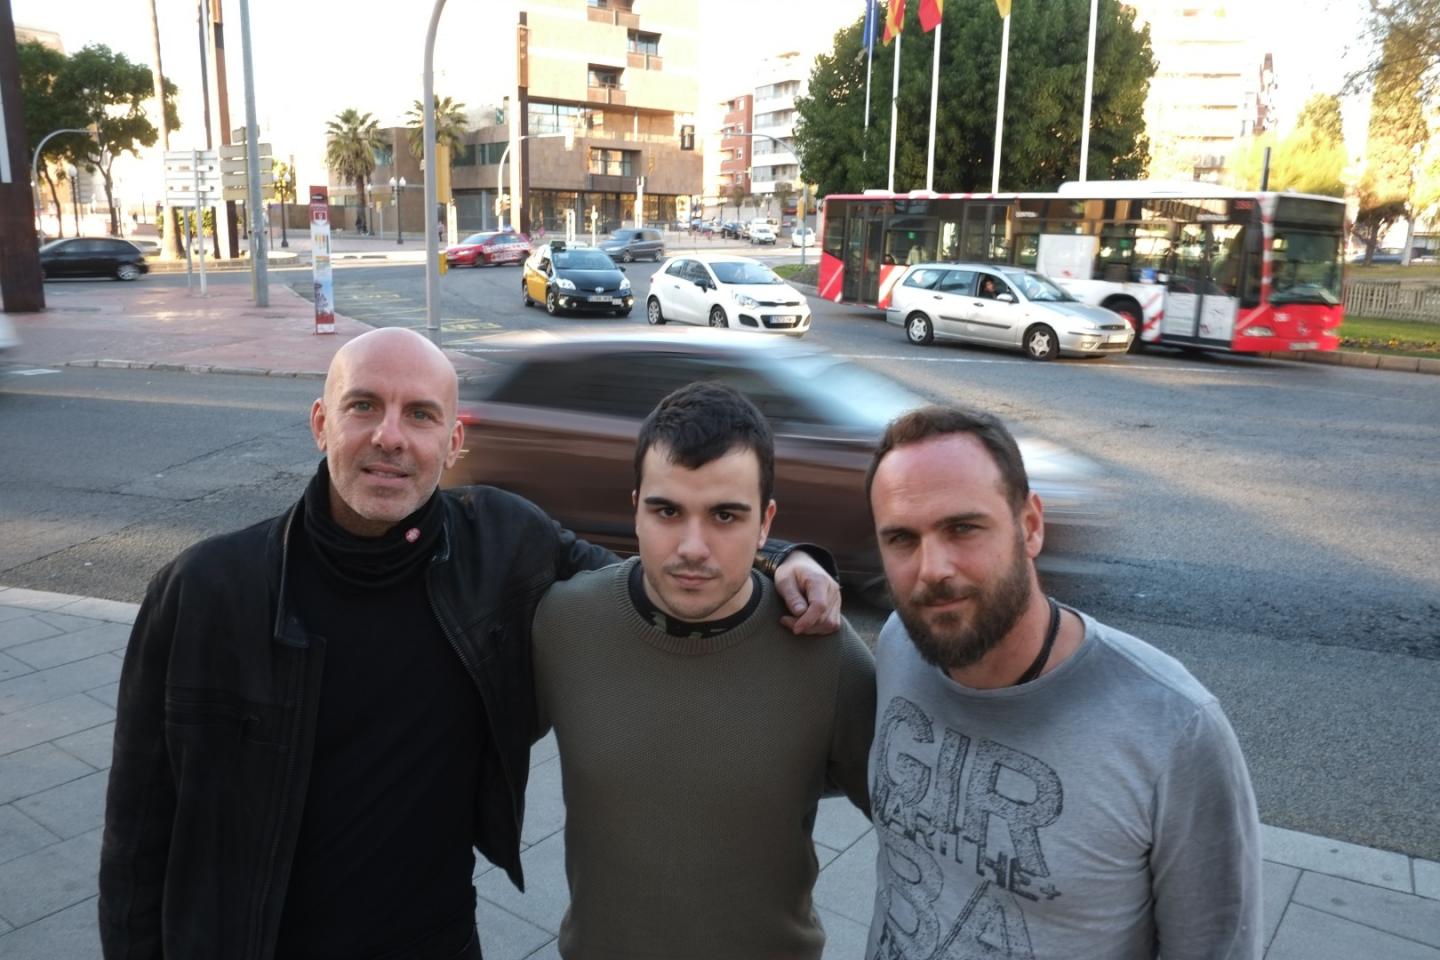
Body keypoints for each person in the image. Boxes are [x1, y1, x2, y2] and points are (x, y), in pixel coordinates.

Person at [98, 328, 842, 960]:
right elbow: (136, 837)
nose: (390, 436)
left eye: (420, 415)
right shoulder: (204, 591)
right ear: (322, 422)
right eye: (364, 407)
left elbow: (661, 575)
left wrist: (787, 560)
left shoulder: (506, 547)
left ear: (453, 443)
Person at [863, 406, 1261, 960]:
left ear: (1030, 526)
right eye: (902, 538)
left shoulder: (1175, 728)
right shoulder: (900, 646)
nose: (932, 568)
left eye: (963, 527)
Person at [532, 382, 876, 959]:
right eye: (667, 511)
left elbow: (923, 832)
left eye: (725, 515)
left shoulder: (828, 655)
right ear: (634, 507)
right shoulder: (563, 624)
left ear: (765, 523)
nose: (693, 547)